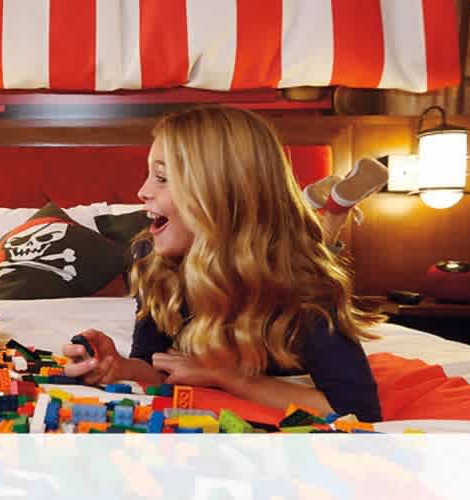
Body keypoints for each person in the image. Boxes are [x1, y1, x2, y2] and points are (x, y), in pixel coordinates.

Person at [62, 107, 386, 421]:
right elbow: (157, 367)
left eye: (162, 178)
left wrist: (228, 377)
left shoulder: (305, 285)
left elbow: (356, 410)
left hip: (288, 260)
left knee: (319, 245)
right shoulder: (151, 258)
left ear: (220, 194)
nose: (142, 191)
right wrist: (118, 367)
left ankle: (331, 208)